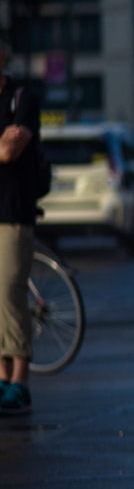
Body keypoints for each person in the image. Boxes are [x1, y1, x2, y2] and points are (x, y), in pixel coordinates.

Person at [0, 36, 41, 417]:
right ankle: (1, 378)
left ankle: (20, 381)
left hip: (13, 211)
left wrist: (5, 145)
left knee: (10, 295)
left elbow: (10, 151)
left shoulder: (22, 99)